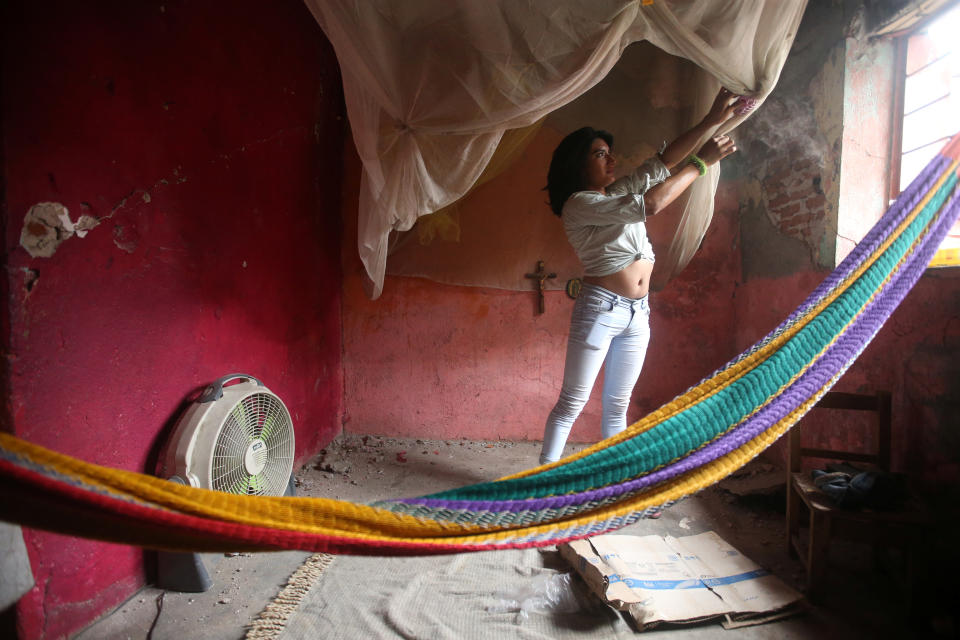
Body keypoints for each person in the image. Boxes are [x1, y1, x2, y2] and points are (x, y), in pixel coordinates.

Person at [539, 88, 740, 465]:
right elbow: (653, 202)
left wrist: (713, 118)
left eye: (608, 152)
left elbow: (663, 162)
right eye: (600, 154)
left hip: (638, 313)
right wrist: (702, 164)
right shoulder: (579, 204)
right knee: (572, 402)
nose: (611, 159)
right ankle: (542, 482)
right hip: (601, 310)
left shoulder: (614, 195)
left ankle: (617, 482)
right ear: (577, 165)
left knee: (618, 406)